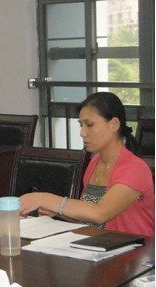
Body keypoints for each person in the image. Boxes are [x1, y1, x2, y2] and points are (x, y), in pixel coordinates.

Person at [20, 92, 154, 236]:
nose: (82, 133)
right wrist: (59, 210)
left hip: (133, 247)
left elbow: (101, 213)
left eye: (89, 125)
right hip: (97, 243)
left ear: (114, 124)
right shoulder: (95, 162)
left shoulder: (135, 169)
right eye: (81, 125)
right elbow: (89, 218)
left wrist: (44, 199)